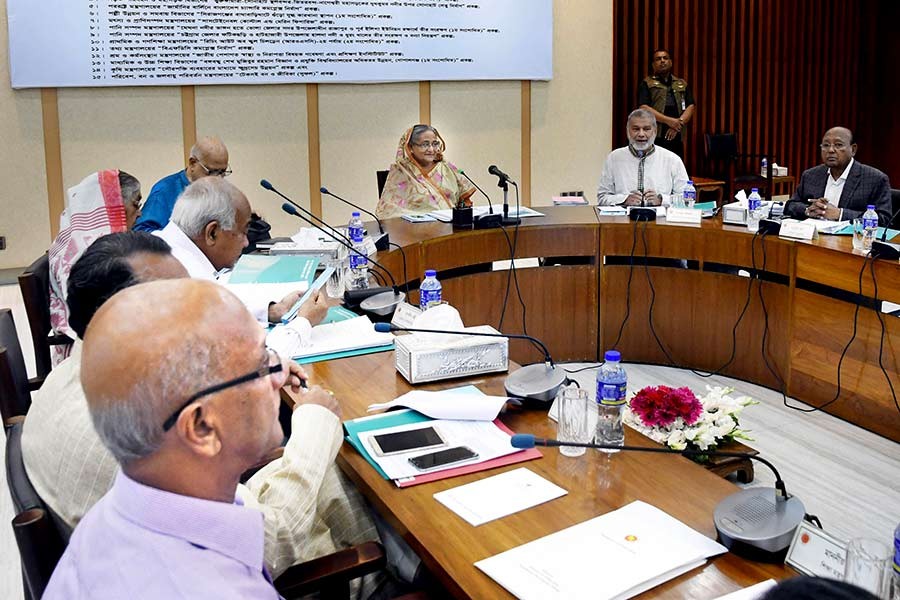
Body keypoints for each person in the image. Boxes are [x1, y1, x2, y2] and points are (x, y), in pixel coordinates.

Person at [155, 177, 321, 325]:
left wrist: (275, 310)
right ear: (212, 233)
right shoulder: (181, 277)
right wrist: (303, 324)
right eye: (243, 232)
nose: (246, 242)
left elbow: (221, 304)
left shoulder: (165, 245)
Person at [48, 169, 142, 365]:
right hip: (89, 356)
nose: (139, 213)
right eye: (136, 204)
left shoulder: (75, 240)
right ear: (114, 207)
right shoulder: (87, 254)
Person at [783, 127, 892, 226]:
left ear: (853, 149)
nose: (830, 150)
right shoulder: (810, 175)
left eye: (838, 145)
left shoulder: (875, 179)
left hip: (849, 244)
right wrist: (808, 210)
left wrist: (840, 214)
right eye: (826, 145)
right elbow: (790, 206)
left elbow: (884, 220)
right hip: (812, 239)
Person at [375, 124, 476, 219]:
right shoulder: (401, 171)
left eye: (435, 144)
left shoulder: (446, 167)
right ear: (410, 148)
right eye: (425, 144)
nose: (431, 149)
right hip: (412, 231)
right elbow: (388, 212)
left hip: (451, 227)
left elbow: (464, 202)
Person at [133, 135, 230, 232]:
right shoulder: (165, 190)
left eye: (223, 172)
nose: (218, 179)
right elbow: (141, 232)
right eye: (212, 172)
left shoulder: (223, 191)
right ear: (192, 163)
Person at [598, 109, 689, 206]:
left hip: (659, 220)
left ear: (655, 130)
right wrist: (624, 199)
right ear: (627, 130)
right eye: (636, 129)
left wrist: (661, 200)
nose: (641, 134)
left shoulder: (672, 160)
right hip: (623, 219)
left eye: (646, 129)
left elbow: (687, 199)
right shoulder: (614, 158)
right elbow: (602, 197)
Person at [638, 49, 695, 158]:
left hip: (677, 133)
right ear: (653, 65)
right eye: (658, 59)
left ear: (671, 62)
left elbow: (690, 106)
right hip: (655, 133)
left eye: (665, 58)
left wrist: (677, 125)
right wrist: (669, 121)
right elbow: (644, 107)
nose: (662, 61)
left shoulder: (681, 83)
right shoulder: (647, 83)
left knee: (676, 164)